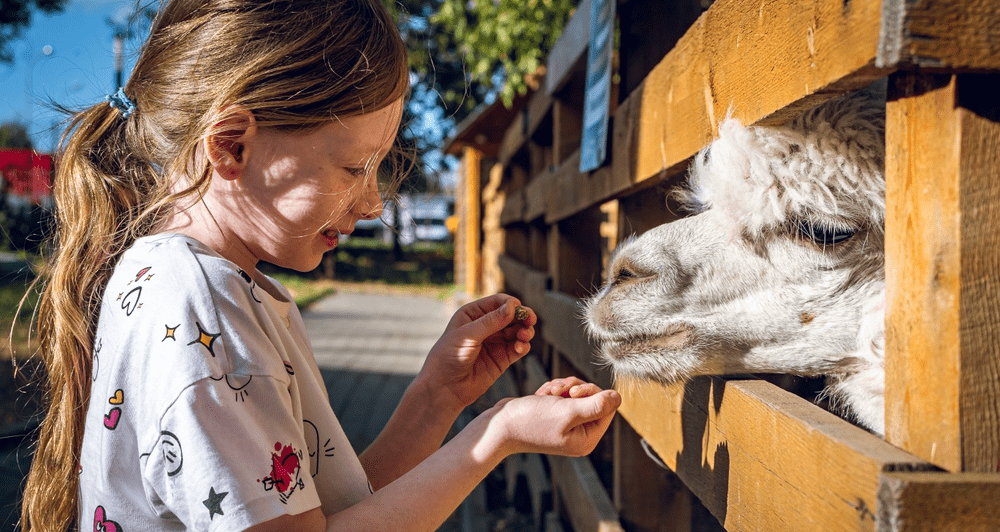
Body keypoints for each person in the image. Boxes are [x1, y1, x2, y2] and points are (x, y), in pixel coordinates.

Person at [20, 0, 621, 530]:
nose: (373, 202)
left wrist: (437, 397)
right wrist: (493, 436)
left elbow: (317, 515)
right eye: (355, 167)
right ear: (232, 145)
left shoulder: (201, 284)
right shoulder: (201, 306)